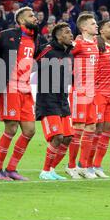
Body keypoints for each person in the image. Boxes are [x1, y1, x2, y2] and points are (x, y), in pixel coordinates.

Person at [0, 7, 44, 181]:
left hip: (26, 89)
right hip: (10, 87)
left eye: (35, 15)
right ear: (21, 20)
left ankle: (12, 168)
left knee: (29, 130)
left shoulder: (36, 38)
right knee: (11, 128)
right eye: (31, 16)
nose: (35, 18)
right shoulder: (7, 35)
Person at [36, 22, 74, 180]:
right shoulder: (47, 50)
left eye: (71, 31)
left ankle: (51, 169)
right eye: (67, 32)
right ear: (58, 36)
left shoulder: (68, 53)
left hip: (63, 100)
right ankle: (45, 171)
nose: (71, 34)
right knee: (57, 136)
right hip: (47, 100)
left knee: (68, 137)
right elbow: (30, 58)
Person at [66, 13, 99, 179]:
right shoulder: (78, 44)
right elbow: (65, 52)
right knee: (78, 129)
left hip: (92, 93)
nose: (96, 26)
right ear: (84, 27)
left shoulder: (94, 44)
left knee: (91, 128)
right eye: (93, 24)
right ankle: (71, 166)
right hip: (80, 92)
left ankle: (83, 166)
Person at [90, 19, 110, 178]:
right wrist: (97, 39)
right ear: (100, 31)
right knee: (97, 130)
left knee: (108, 130)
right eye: (109, 26)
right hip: (99, 93)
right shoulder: (95, 45)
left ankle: (97, 165)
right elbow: (81, 39)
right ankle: (86, 165)